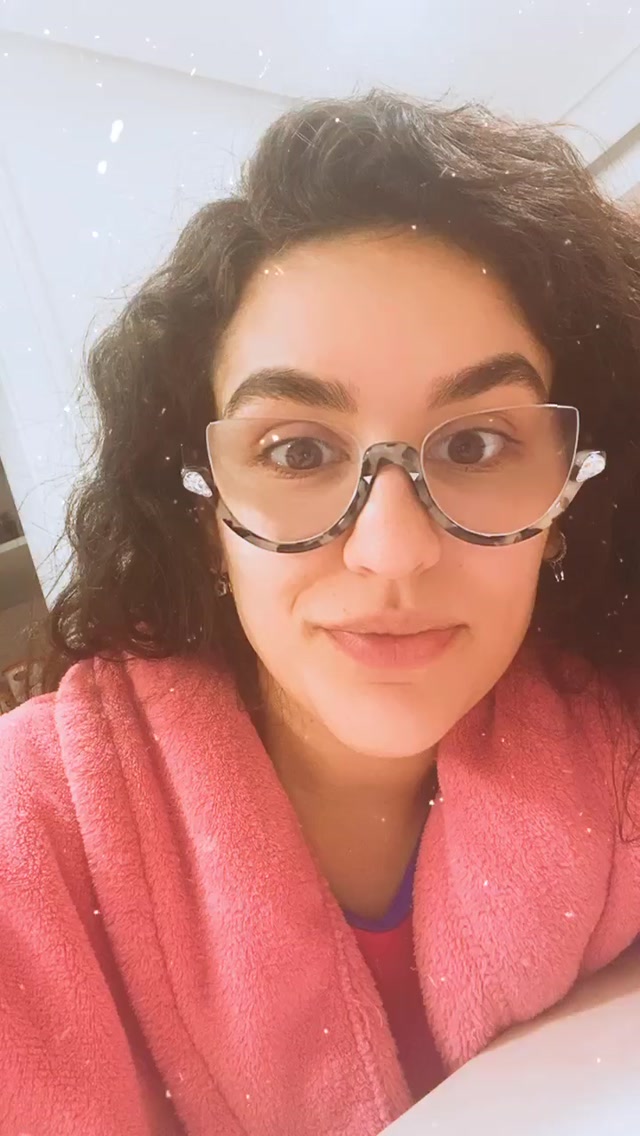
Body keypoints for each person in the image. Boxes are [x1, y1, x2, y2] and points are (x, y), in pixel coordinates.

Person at [1, 89, 640, 1136]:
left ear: (568, 498)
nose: (392, 549)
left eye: (475, 444)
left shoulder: (616, 744)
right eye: (297, 450)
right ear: (201, 510)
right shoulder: (25, 846)